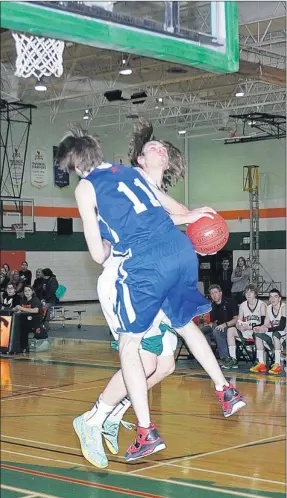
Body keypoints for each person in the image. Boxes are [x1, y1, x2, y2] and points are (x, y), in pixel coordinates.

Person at [56, 122, 246, 468]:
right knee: (147, 360)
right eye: (152, 147)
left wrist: (186, 216)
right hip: (133, 269)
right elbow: (158, 205)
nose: (158, 150)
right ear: (138, 159)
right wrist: (187, 217)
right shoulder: (130, 175)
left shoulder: (94, 185)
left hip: (139, 266)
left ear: (76, 165)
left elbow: (103, 248)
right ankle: (96, 420)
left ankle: (121, 416)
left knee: (164, 363)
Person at [226, 285, 266, 371]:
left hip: (259, 331)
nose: (248, 294)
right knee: (230, 330)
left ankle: (260, 362)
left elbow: (263, 323)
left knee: (257, 331)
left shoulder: (262, 305)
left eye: (251, 292)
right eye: (247, 292)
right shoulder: (242, 305)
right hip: (247, 331)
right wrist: (239, 326)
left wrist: (250, 327)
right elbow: (239, 321)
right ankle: (233, 360)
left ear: (255, 294)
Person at [203, 284, 238, 367]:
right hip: (218, 327)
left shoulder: (230, 302)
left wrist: (224, 325)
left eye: (215, 292)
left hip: (231, 327)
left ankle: (226, 358)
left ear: (220, 293)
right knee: (202, 331)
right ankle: (207, 357)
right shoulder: (212, 306)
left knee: (217, 331)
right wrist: (210, 324)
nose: (214, 295)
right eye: (212, 293)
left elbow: (236, 319)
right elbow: (212, 321)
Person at [253, 288, 286, 375]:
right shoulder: (268, 308)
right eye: (271, 297)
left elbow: (282, 327)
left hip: (284, 333)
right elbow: (266, 324)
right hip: (274, 332)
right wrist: (260, 328)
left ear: (279, 299)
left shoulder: (284, 308)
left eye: (275, 296)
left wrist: (267, 329)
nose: (273, 299)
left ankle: (277, 364)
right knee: (257, 334)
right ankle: (261, 363)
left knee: (276, 334)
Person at [14, 285, 43, 352]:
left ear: (32, 292)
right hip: (26, 320)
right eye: (25, 291)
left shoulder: (35, 300)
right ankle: (17, 345)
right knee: (17, 325)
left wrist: (22, 308)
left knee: (23, 327)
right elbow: (21, 310)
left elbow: (36, 310)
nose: (27, 292)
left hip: (35, 321)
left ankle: (24, 347)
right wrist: (17, 309)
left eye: (29, 290)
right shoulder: (23, 300)